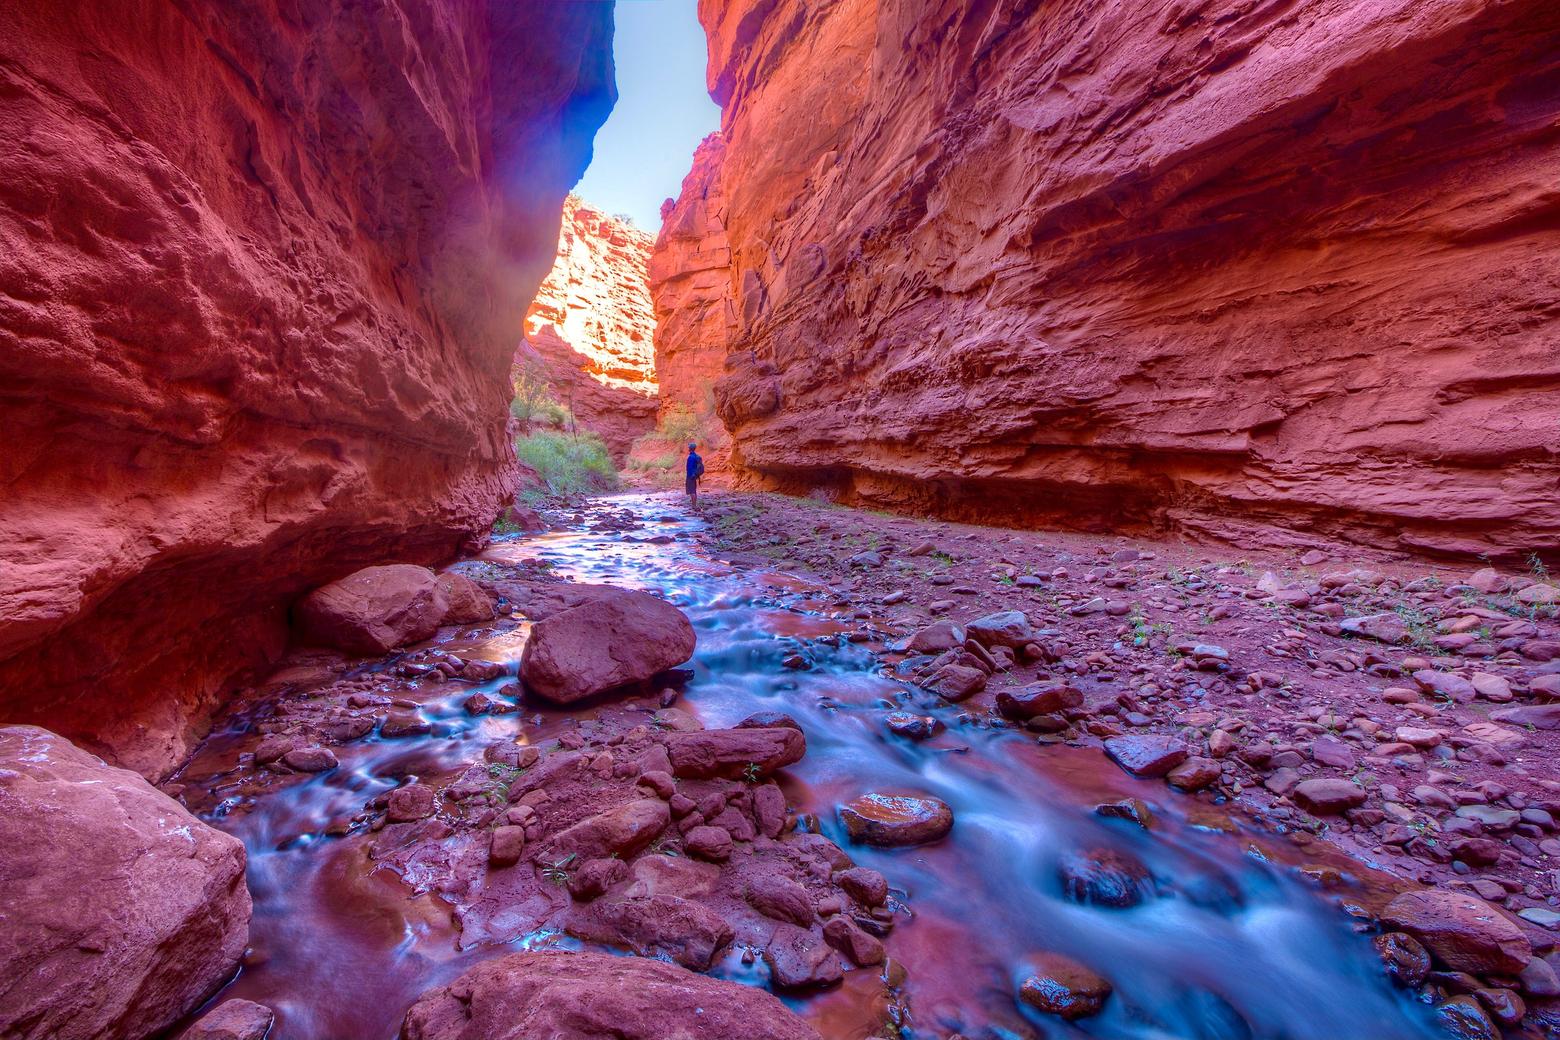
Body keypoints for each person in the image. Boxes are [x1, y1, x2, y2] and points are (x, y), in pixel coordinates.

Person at [685, 442, 705, 507]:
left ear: (690, 448)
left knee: (692, 491)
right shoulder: (696, 456)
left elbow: (689, 468)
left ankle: (694, 505)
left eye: (688, 447)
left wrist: (689, 476)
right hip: (695, 475)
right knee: (694, 490)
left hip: (691, 476)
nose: (688, 448)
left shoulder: (691, 457)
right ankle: (694, 505)